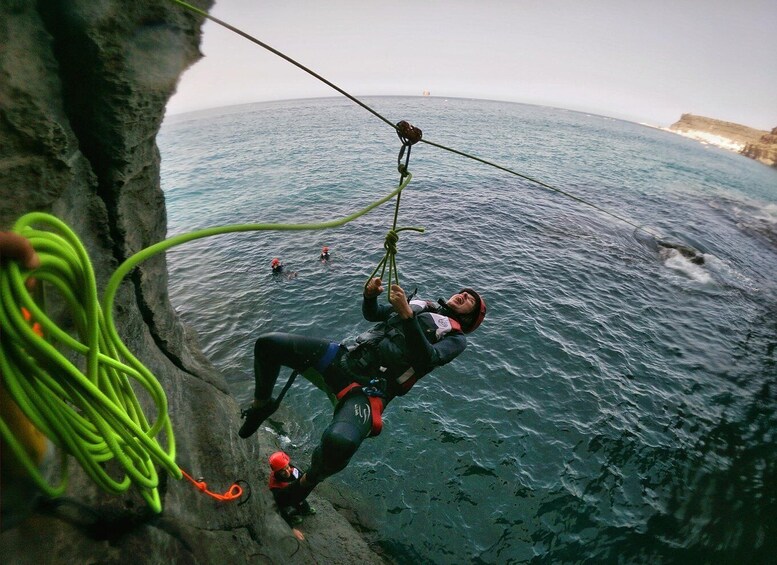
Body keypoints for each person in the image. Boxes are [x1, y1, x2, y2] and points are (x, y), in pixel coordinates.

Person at [238, 277, 487, 507]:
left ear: (469, 318)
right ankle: (262, 405)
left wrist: (407, 316)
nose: (463, 296)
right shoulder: (421, 305)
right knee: (268, 345)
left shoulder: (455, 338)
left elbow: (427, 358)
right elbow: (373, 315)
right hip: (344, 359)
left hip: (371, 390)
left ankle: (305, 484)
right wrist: (369, 296)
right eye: (463, 292)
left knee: (341, 441)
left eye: (470, 301)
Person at [268, 451, 316, 526]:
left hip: (291, 490)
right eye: (282, 471)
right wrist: (291, 527)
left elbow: (300, 475)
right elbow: (279, 505)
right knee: (298, 503)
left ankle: (305, 510)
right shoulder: (275, 487)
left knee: (303, 503)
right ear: (277, 472)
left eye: (287, 467)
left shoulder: (290, 467)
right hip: (284, 498)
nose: (287, 472)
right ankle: (293, 516)